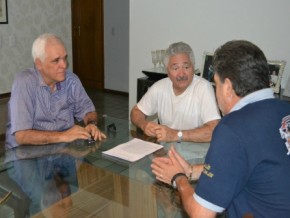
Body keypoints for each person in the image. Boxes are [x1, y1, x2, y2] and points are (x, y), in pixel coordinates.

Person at [151, 40, 290, 217]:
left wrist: (179, 178)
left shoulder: (232, 129)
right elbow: (250, 164)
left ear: (228, 87)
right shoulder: (285, 110)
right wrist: (191, 171)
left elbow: (201, 214)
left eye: (216, 83)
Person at [5, 33, 106, 149]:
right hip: (26, 153)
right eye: (56, 60)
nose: (64, 65)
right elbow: (22, 136)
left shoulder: (71, 80)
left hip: (62, 150)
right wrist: (63, 136)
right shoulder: (24, 82)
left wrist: (91, 124)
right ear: (39, 64)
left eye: (64, 58)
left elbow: (88, 110)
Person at [131, 42, 220, 143]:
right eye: (175, 68)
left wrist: (176, 135)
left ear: (193, 67)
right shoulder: (159, 87)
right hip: (167, 151)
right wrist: (144, 125)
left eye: (186, 67)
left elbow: (214, 131)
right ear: (167, 71)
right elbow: (136, 112)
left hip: (197, 154)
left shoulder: (203, 88)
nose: (181, 74)